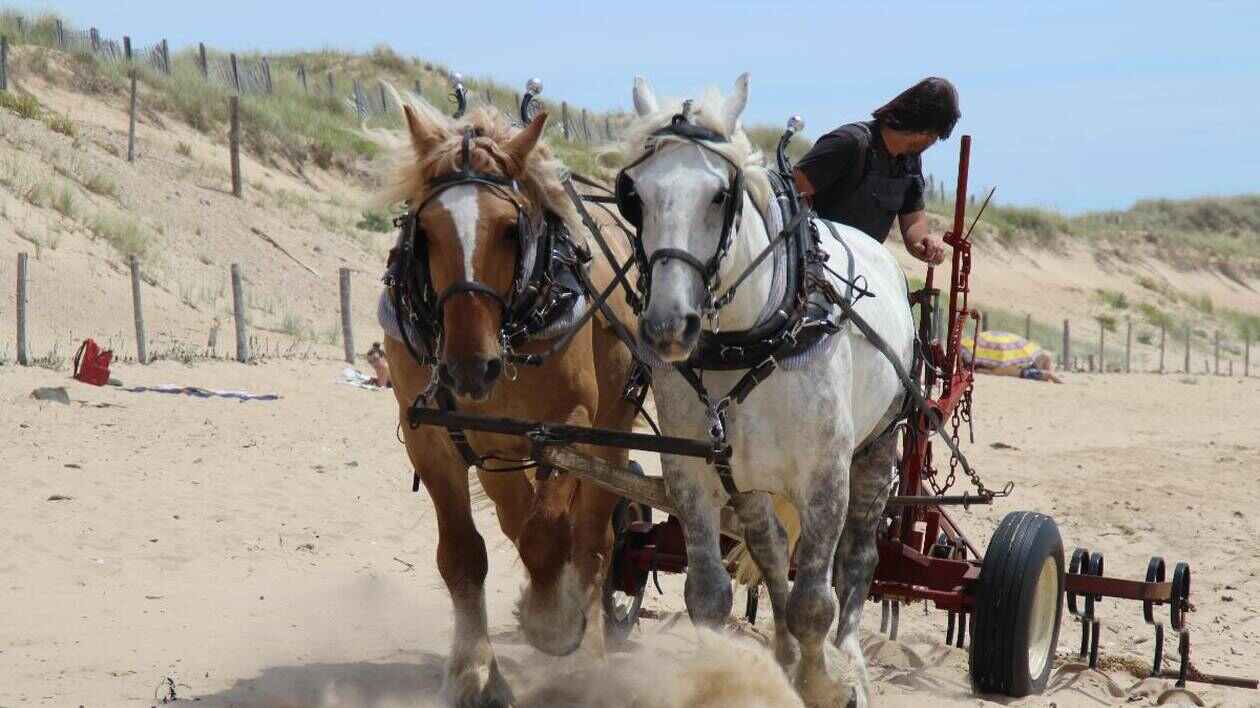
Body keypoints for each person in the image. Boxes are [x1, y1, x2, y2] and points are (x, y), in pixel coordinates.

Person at [792, 77, 961, 264]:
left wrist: (925, 243)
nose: (933, 142)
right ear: (925, 131)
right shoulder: (849, 143)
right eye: (935, 136)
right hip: (816, 263)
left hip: (863, 270)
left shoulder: (910, 162)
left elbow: (913, 221)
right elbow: (793, 191)